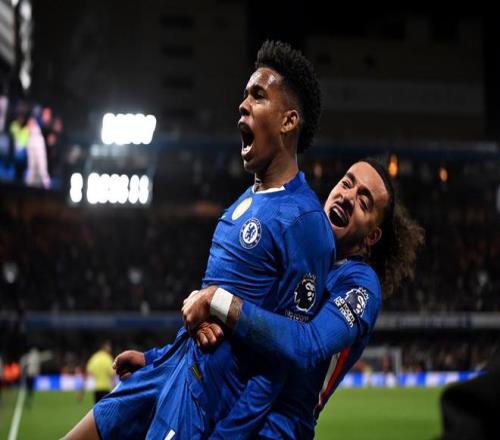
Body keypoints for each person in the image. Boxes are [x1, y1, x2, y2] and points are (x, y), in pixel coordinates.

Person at [65, 40, 335, 440]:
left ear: (288, 121)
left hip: (204, 397)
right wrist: (155, 358)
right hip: (172, 370)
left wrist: (229, 433)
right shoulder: (241, 205)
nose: (242, 105)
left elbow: (288, 357)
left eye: (258, 96)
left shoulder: (305, 222)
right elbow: (205, 321)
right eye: (244, 95)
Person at [183, 159, 425, 438]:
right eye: (347, 183)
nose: (348, 197)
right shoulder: (300, 247)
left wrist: (218, 301)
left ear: (372, 236)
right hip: (227, 405)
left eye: (363, 202)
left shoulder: (361, 285)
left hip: (278, 427)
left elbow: (308, 346)